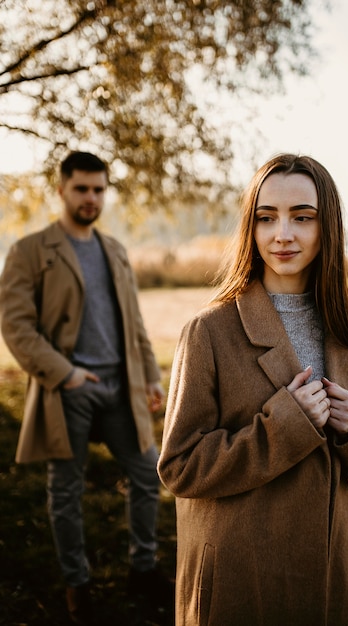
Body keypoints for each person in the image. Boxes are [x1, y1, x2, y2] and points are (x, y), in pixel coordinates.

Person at [157, 153, 348, 626]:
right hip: (242, 579)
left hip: (328, 577)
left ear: (328, 228)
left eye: (302, 217)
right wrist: (284, 426)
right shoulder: (208, 332)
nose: (283, 234)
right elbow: (179, 467)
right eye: (267, 218)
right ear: (251, 229)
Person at [0, 151, 173, 625]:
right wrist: (67, 374)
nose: (91, 198)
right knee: (66, 490)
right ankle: (77, 584)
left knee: (146, 472)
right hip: (68, 389)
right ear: (61, 190)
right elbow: (16, 326)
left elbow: (134, 321)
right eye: (82, 189)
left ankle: (144, 567)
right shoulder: (30, 250)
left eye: (99, 189)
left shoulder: (115, 250)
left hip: (122, 385)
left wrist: (152, 376)